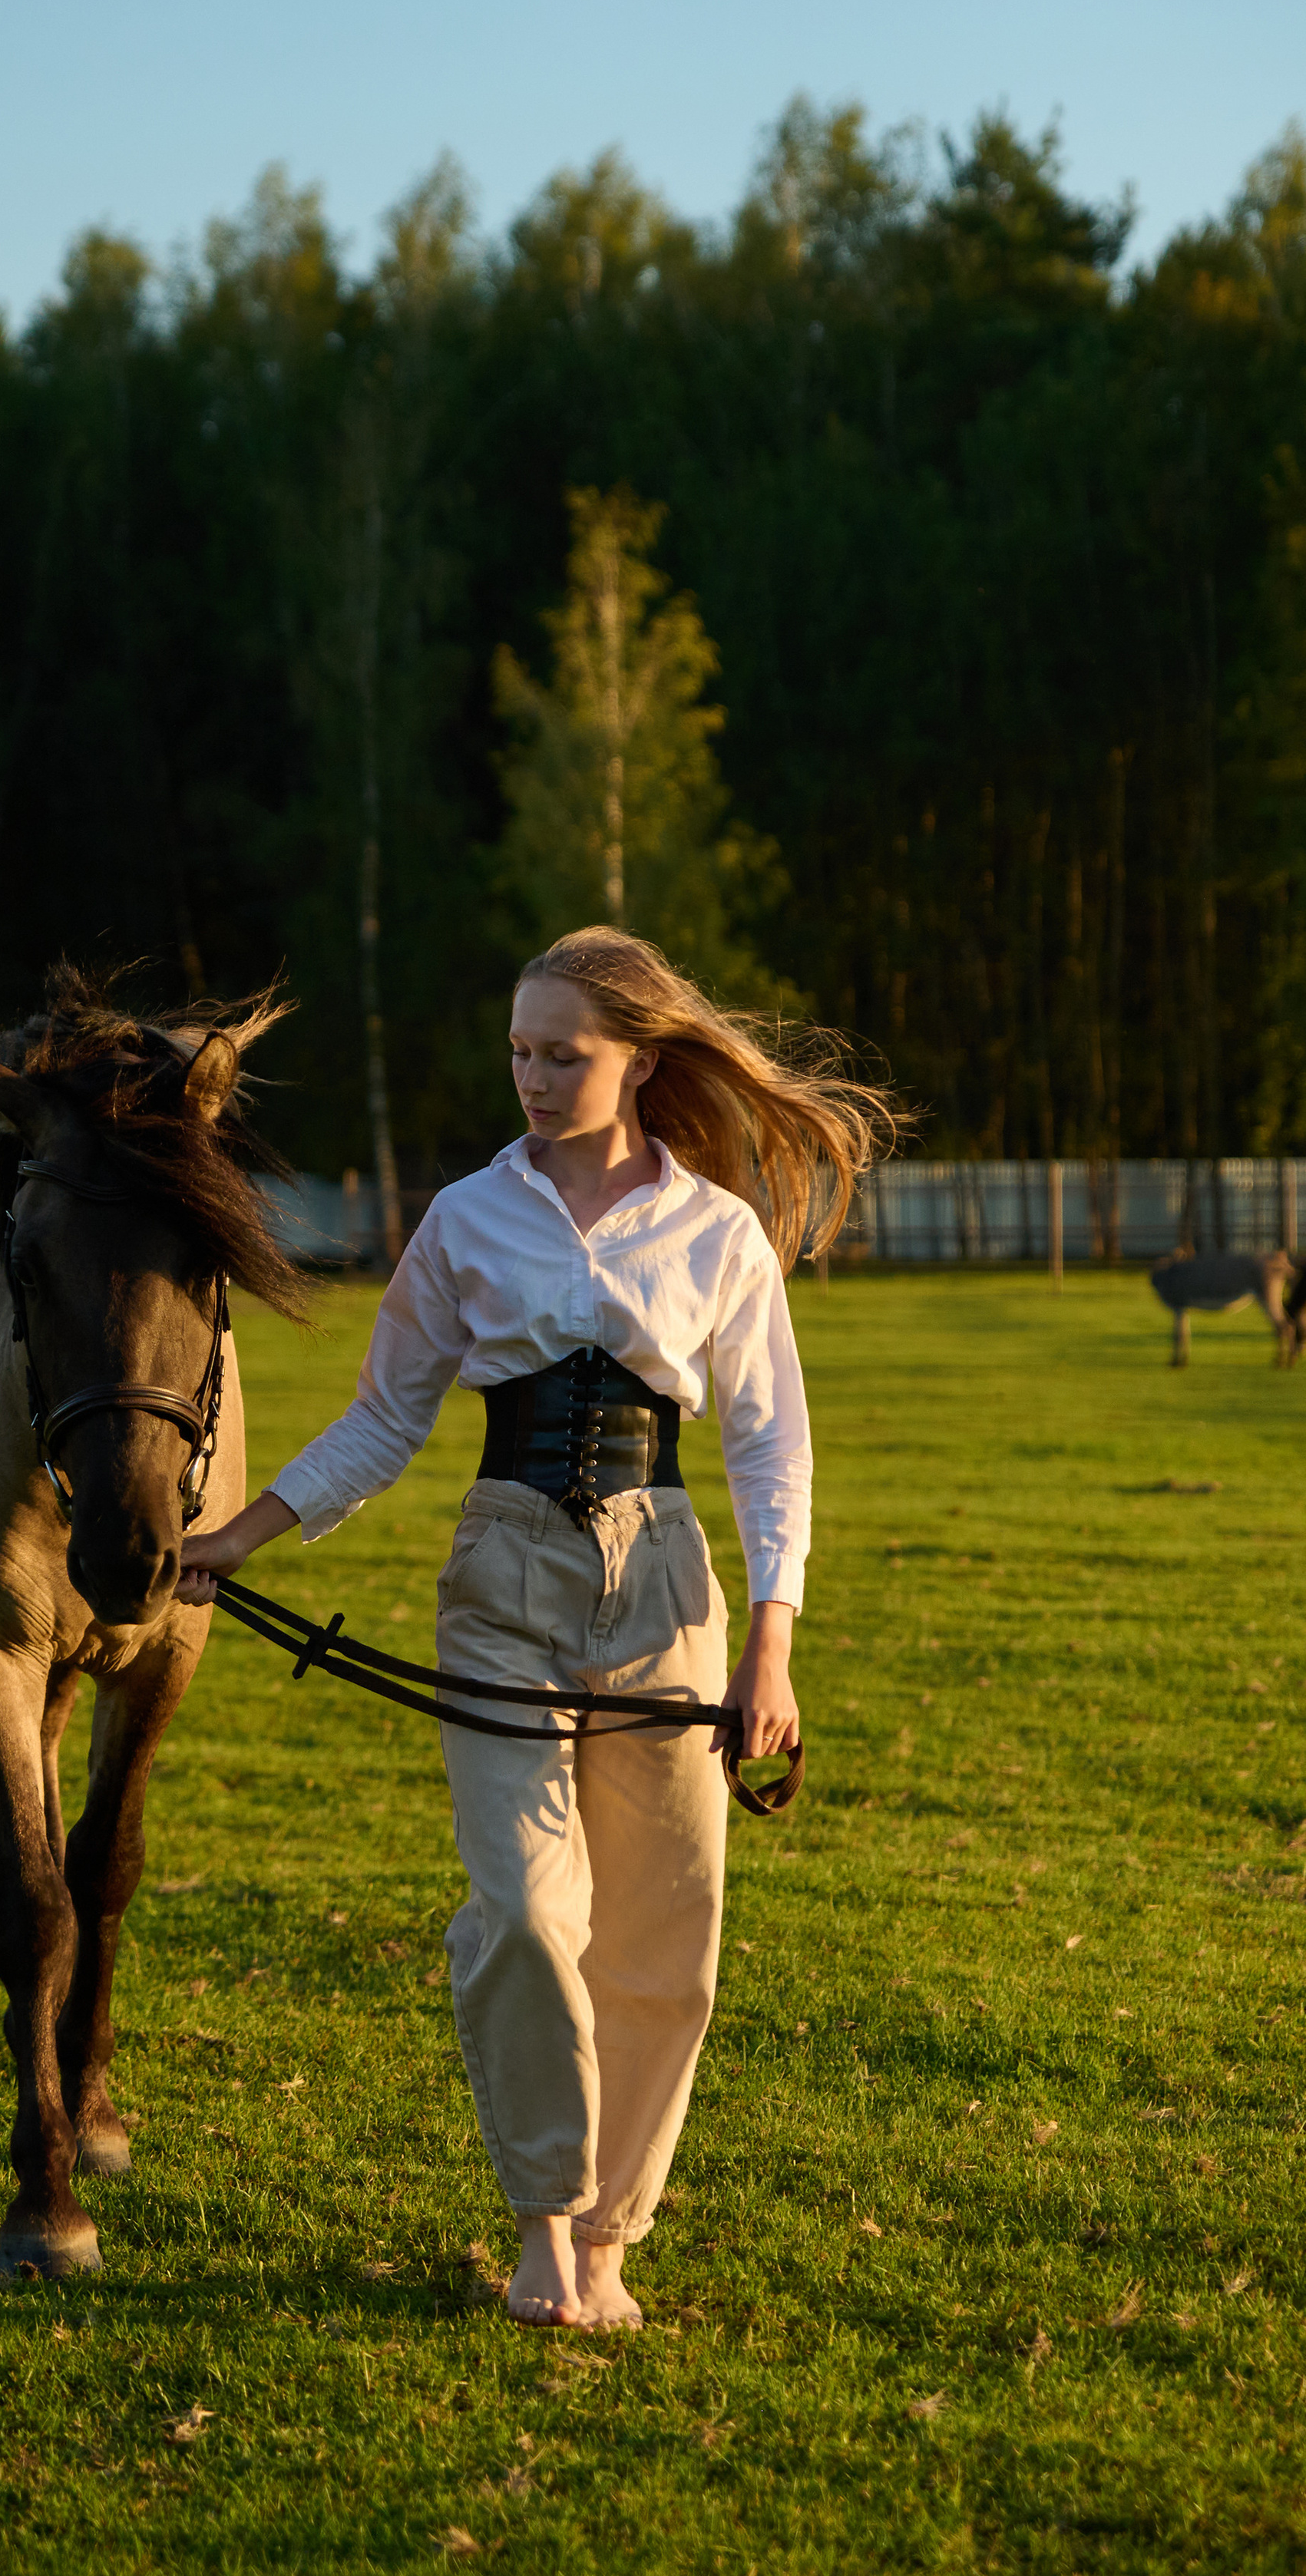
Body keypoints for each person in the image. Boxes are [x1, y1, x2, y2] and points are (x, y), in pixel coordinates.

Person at [181, 926, 891, 2330]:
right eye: (519, 1050)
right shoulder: (465, 1218)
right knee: (521, 1911)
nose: (534, 1075)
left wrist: (773, 1644)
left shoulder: (716, 1232)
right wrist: (231, 1539)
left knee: (662, 1936)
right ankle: (542, 2221)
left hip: (667, 1589)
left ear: (639, 1058)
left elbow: (771, 1450)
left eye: (564, 1053)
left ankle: (611, 2241)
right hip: (501, 1576)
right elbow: (386, 1421)